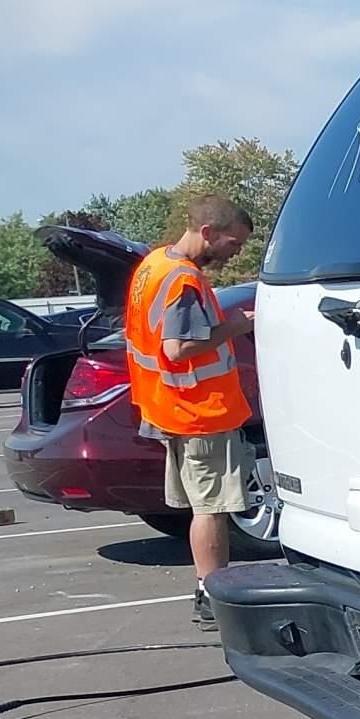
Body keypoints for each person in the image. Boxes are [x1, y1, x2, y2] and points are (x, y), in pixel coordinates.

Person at [125, 196, 256, 627]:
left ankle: (208, 589)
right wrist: (235, 326)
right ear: (208, 233)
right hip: (199, 412)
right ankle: (211, 592)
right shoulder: (182, 280)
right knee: (211, 509)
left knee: (204, 506)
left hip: (174, 408)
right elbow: (177, 349)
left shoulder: (153, 265)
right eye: (232, 242)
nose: (235, 251)